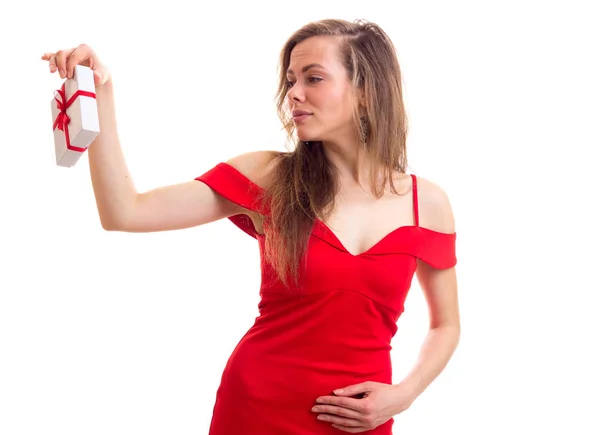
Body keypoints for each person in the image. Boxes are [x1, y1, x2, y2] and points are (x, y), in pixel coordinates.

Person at [42, 18, 460, 435]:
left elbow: (446, 325)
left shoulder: (428, 204)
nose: (294, 93)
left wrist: (405, 394)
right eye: (291, 79)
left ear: (367, 92)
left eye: (314, 78)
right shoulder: (271, 176)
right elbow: (125, 212)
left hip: (362, 420)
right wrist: (102, 92)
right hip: (257, 408)